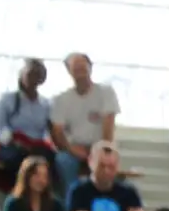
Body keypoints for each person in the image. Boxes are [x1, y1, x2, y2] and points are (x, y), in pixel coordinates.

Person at [48, 51, 117, 194]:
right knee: (62, 161)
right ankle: (73, 200)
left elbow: (108, 128)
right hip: (72, 149)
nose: (80, 72)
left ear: (90, 68)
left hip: (100, 147)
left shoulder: (106, 93)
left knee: (106, 162)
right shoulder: (61, 99)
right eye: (75, 68)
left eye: (82, 67)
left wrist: (98, 150)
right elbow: (57, 131)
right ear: (69, 71)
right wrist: (72, 149)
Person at [0, 58, 52, 187]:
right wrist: (11, 140)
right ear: (21, 75)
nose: (33, 79)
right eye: (30, 74)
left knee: (49, 158)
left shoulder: (45, 104)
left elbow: (48, 131)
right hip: (10, 145)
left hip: (36, 146)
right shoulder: (8, 100)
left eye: (38, 74)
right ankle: (18, 191)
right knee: (19, 158)